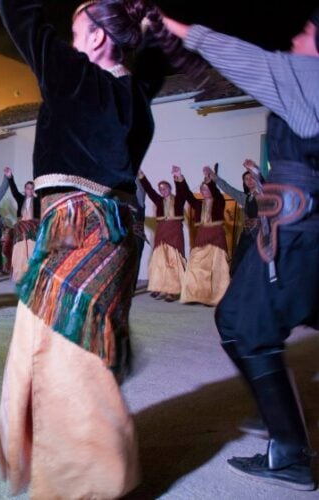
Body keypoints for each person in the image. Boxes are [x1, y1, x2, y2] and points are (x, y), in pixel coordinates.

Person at [0, 0, 202, 496]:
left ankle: (91, 479)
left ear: (96, 39)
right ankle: (82, 470)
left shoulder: (75, 77)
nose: (68, 43)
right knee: (73, 347)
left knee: (61, 352)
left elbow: (22, 18)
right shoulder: (136, 95)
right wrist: (148, 25)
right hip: (118, 238)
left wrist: (140, 24)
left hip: (77, 228)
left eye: (75, 31)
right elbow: (153, 59)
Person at [164, 8, 319, 491]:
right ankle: (277, 414)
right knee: (241, 320)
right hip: (299, 232)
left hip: (295, 233)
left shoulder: (309, 77)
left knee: (245, 327)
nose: (296, 36)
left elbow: (236, 56)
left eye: (307, 31)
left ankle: (289, 452)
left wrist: (172, 27)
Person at [177, 166, 230, 305]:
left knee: (217, 267)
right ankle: (195, 295)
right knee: (196, 265)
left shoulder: (219, 201)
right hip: (202, 236)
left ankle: (214, 297)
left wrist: (209, 179)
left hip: (216, 237)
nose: (203, 191)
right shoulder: (198, 204)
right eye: (202, 189)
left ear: (211, 190)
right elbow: (187, 194)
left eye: (206, 189)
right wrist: (180, 177)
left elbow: (216, 193)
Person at [138, 166, 187, 301]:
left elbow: (182, 190)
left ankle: (173, 291)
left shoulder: (179, 199)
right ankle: (159, 287)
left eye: (165, 188)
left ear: (170, 188)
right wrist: (141, 175)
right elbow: (149, 189)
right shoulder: (158, 200)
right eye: (160, 189)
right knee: (160, 260)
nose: (163, 191)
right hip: (162, 232)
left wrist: (178, 176)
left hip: (174, 232)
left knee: (173, 260)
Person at [210, 159, 263, 275]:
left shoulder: (264, 194)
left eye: (251, 177)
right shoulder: (245, 198)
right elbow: (229, 189)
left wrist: (253, 169)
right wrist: (215, 178)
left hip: (261, 235)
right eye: (246, 179)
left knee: (258, 264)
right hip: (247, 234)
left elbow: (262, 184)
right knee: (237, 264)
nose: (249, 180)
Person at [4, 167, 40, 282]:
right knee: (19, 251)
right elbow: (14, 190)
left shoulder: (38, 201)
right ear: (25, 189)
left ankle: (32, 275)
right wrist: (10, 177)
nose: (30, 190)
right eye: (28, 188)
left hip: (33, 230)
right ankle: (19, 274)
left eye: (32, 188)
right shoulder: (21, 199)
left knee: (32, 250)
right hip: (21, 230)